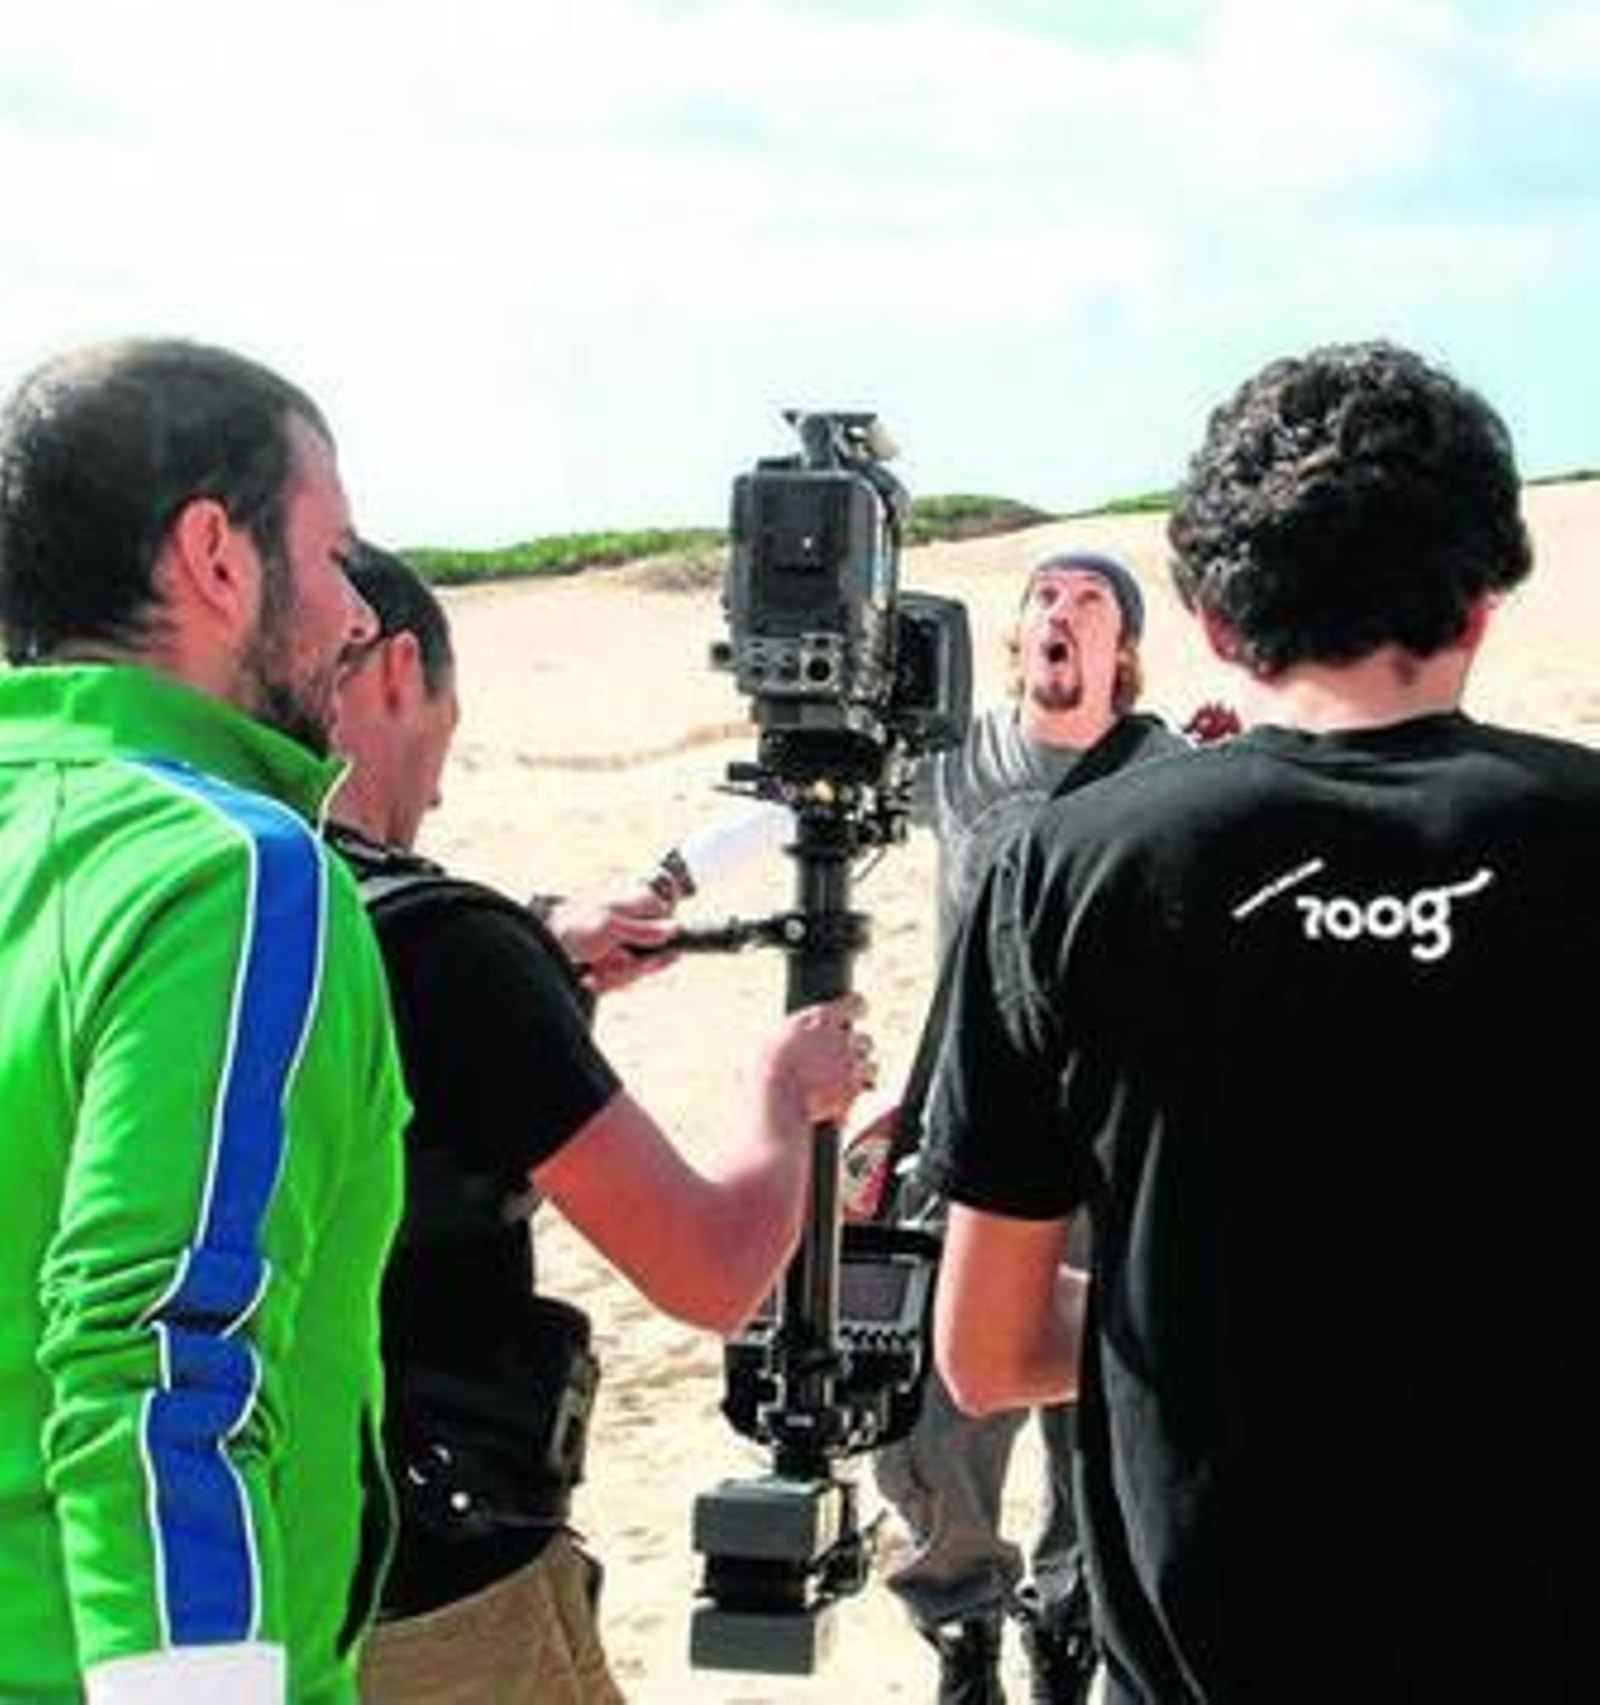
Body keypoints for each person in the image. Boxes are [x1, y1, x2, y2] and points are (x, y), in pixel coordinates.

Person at [928, 339, 1600, 1701]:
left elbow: (987, 1349)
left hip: (1203, 1653)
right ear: (1482, 600)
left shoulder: (1066, 867)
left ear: (1217, 623)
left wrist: (1218, 1318)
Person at [327, 542, 878, 1703]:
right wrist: (787, 1104)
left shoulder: (192, 883)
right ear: (395, 674)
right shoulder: (447, 953)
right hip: (428, 1588)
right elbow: (714, 1271)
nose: (440, 773)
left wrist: (536, 945)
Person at [0, 340, 410, 1701]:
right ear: (216, 557)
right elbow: (158, 1352)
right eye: (336, 551)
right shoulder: (224, 869)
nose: (358, 610)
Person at [869, 548, 1188, 1705]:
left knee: (1089, 1410)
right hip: (966, 1127)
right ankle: (961, 1621)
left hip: (1106, 1144)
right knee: (930, 1415)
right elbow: (820, 799)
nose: (1061, 615)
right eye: (1043, 600)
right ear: (1012, 640)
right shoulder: (957, 758)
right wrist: (665, 885)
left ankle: (1068, 1624)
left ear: (1124, 647)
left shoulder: (1169, 770)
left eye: (1089, 603)